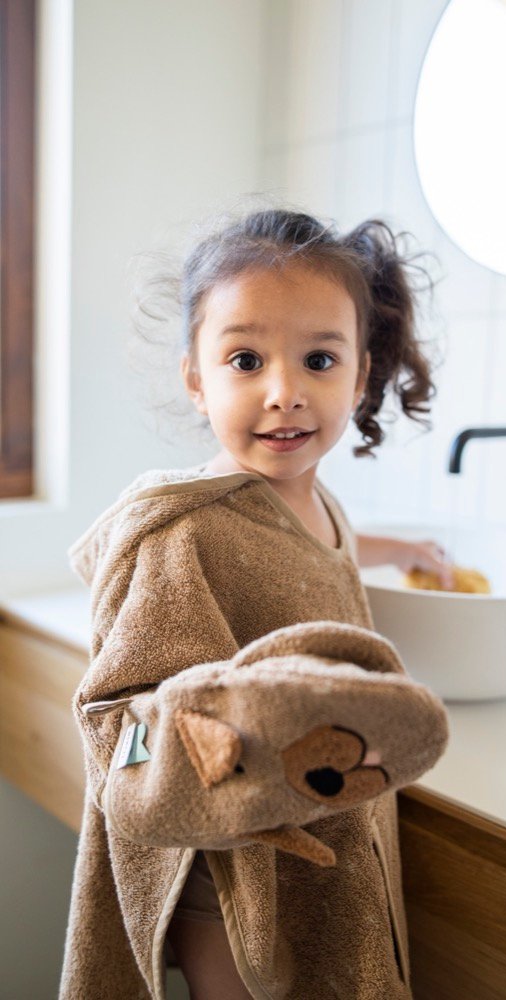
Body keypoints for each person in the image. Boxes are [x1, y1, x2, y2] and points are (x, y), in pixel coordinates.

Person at [59, 207, 452, 1000]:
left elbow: (319, 551)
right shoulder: (186, 533)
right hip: (232, 872)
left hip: (324, 829)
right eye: (245, 359)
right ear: (196, 381)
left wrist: (403, 551)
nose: (284, 393)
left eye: (318, 360)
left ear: (360, 377)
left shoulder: (315, 501)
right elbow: (122, 725)